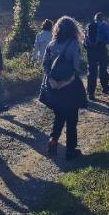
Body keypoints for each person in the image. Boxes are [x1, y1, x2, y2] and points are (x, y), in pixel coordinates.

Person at [43, 16, 87, 161]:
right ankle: (70, 150)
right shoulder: (74, 44)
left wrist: (51, 80)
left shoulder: (51, 44)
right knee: (72, 119)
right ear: (73, 29)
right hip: (70, 87)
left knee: (59, 116)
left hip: (53, 88)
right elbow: (76, 68)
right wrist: (66, 82)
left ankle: (53, 140)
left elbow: (45, 64)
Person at [84, 12, 109, 100]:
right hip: (101, 49)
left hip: (91, 51)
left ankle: (91, 92)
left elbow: (84, 39)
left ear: (95, 18)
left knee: (92, 71)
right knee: (103, 69)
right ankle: (105, 87)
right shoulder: (105, 26)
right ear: (102, 18)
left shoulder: (89, 26)